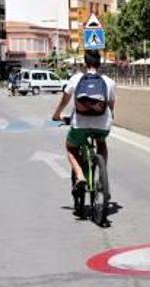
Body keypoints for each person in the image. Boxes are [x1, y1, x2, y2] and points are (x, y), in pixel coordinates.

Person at [52, 50, 116, 193]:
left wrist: (57, 114)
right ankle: (102, 174)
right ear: (100, 64)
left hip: (80, 124)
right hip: (102, 125)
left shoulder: (76, 78)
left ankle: (80, 176)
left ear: (84, 64)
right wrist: (111, 116)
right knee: (101, 143)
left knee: (71, 147)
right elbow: (111, 105)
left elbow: (65, 99)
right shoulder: (109, 82)